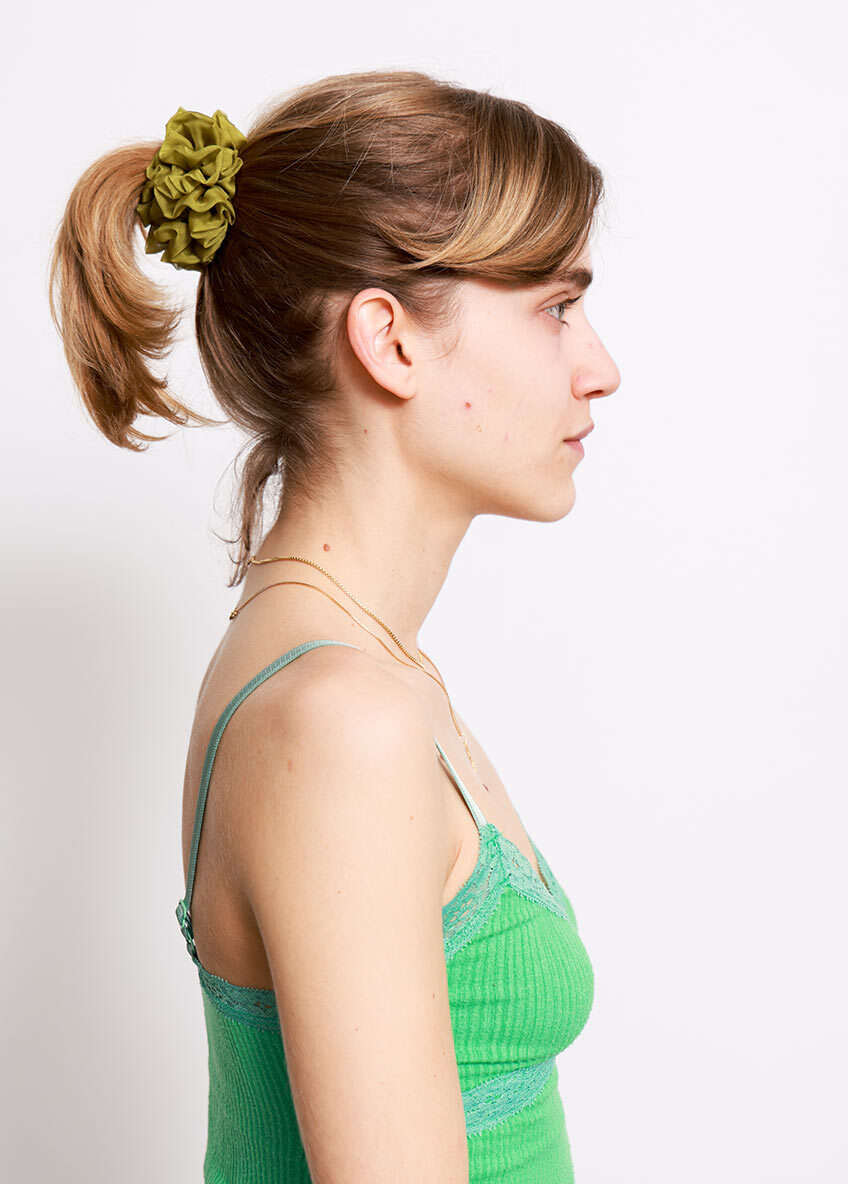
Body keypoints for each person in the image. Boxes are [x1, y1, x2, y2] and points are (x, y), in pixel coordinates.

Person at [48, 68, 621, 1183]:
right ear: (389, 340)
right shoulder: (337, 719)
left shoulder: (362, 666)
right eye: (555, 307)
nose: (599, 369)